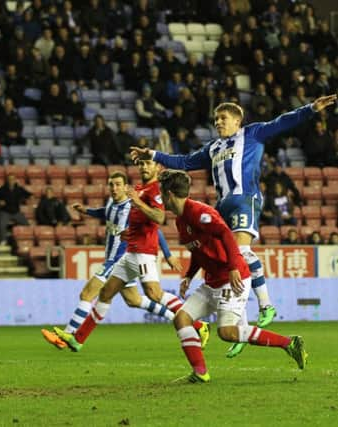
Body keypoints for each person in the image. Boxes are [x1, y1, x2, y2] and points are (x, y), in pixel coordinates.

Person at [131, 94, 337, 357]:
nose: (218, 122)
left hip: (244, 201)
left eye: (223, 118)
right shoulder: (214, 148)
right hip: (223, 207)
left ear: (238, 121)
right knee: (222, 254)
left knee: (238, 253)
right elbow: (184, 162)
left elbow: (282, 122)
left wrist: (310, 109)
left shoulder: (253, 134)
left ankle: (265, 306)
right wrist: (153, 154)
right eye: (216, 119)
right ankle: (239, 327)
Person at [156, 169, 306, 382]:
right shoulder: (181, 221)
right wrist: (189, 275)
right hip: (212, 281)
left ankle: (289, 343)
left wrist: (234, 266)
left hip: (231, 278)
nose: (161, 198)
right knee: (181, 318)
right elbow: (199, 251)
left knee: (227, 332)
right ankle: (200, 373)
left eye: (162, 193)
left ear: (169, 194)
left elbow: (226, 233)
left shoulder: (199, 213)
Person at [52, 161, 209, 351]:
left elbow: (159, 218)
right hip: (130, 252)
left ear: (157, 168)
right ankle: (78, 339)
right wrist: (129, 232)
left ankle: (199, 326)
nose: (144, 167)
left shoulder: (154, 191)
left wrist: (138, 202)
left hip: (143, 253)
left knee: (154, 294)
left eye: (148, 164)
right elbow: (140, 220)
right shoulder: (138, 188)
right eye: (141, 164)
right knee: (106, 293)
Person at [0, 174, 31, 244]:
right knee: (2, 224)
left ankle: (22, 241)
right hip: (5, 211)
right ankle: (3, 240)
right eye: (10, 179)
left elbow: (28, 195)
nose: (11, 181)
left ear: (15, 180)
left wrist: (27, 199)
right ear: (7, 180)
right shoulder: (2, 189)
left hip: (16, 212)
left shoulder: (19, 189)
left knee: (27, 225)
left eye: (12, 179)